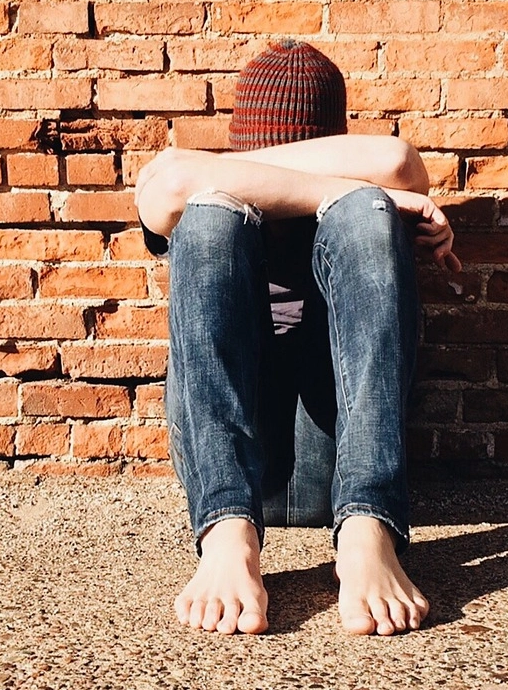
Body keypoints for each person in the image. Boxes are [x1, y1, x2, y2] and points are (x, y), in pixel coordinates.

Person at [133, 40, 460, 636]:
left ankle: (368, 531)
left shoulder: (358, 199)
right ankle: (228, 536)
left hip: (335, 462)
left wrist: (362, 198)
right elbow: (171, 186)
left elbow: (394, 160)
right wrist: (345, 187)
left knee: (364, 213)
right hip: (227, 469)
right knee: (209, 218)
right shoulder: (214, 199)